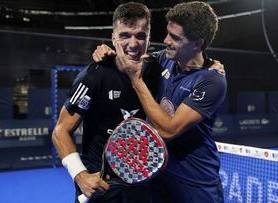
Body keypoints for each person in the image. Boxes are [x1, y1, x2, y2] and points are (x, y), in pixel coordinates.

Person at [93, 1, 226, 203]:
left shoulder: (212, 80)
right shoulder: (163, 59)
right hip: (157, 182)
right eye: (167, 33)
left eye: (175, 37)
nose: (165, 41)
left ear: (197, 44)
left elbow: (169, 131)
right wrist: (105, 51)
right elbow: (129, 57)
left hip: (196, 187)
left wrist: (137, 81)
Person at [52, 2, 159, 203]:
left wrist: (209, 64)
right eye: (124, 35)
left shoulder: (157, 72)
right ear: (113, 38)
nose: (133, 44)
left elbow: (186, 59)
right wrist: (80, 176)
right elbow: (60, 131)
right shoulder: (93, 76)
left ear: (149, 38)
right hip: (100, 186)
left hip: (141, 185)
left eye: (140, 35)